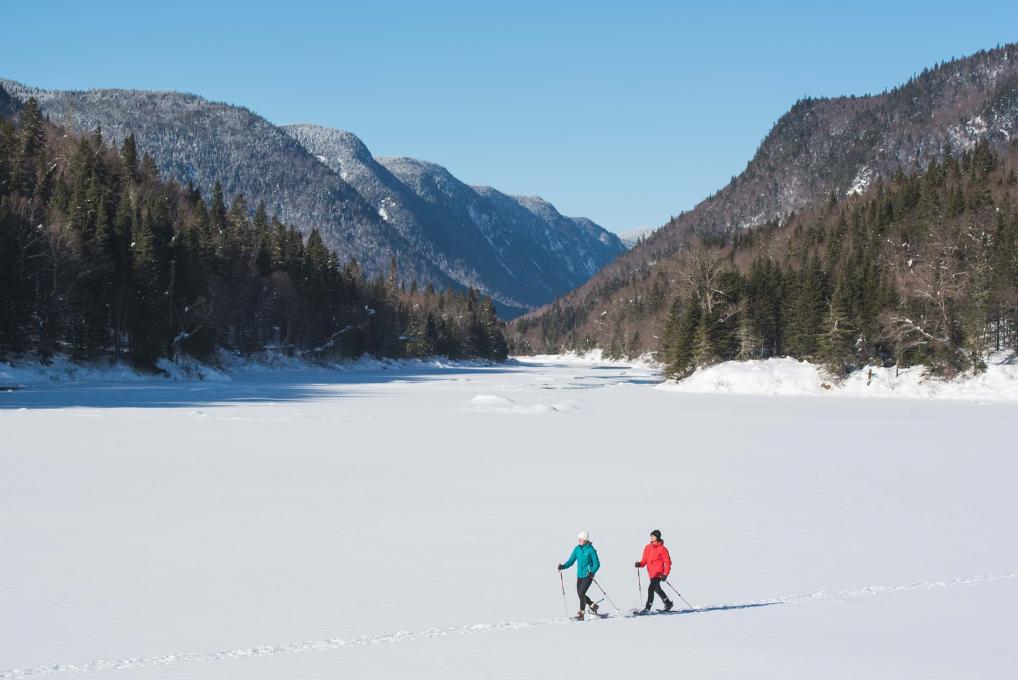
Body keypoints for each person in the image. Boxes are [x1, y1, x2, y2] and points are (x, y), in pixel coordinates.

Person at [557, 530, 601, 619]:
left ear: (586, 539)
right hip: (579, 575)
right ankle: (593, 605)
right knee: (580, 594)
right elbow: (571, 561)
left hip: (588, 575)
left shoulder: (591, 550)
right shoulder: (577, 549)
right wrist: (563, 566)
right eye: (579, 538)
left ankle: (581, 613)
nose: (579, 540)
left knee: (581, 593)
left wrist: (592, 572)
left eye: (581, 539)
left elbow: (597, 564)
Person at [635, 529, 673, 612]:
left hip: (659, 573)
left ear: (658, 537)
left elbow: (668, 562)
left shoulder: (662, 549)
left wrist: (665, 574)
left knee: (651, 588)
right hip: (651, 573)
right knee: (656, 589)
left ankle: (648, 608)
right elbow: (644, 560)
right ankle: (668, 603)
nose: (651, 538)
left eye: (653, 536)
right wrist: (640, 564)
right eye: (651, 536)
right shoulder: (647, 547)